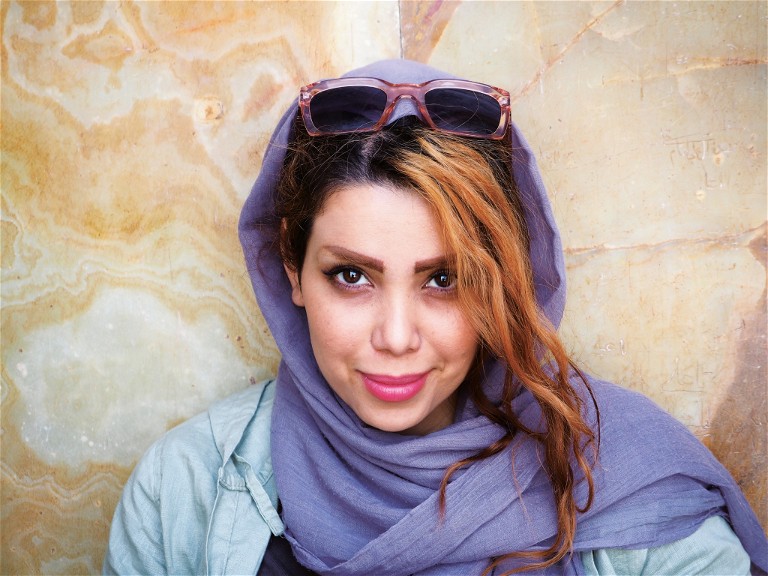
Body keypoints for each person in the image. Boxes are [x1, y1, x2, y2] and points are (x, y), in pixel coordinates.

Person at [104, 59, 768, 575]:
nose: (396, 338)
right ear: (291, 267)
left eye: (444, 280)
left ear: (502, 279)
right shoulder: (181, 492)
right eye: (352, 276)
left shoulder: (627, 482)